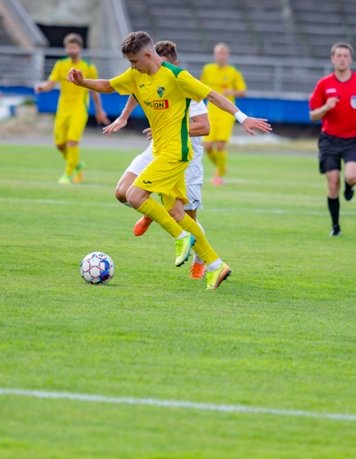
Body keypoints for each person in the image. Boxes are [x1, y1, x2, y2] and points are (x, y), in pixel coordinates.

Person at [67, 31, 272, 290]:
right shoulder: (136, 75)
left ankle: (180, 237)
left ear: (148, 55)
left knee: (135, 195)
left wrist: (243, 118)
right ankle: (215, 265)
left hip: (175, 152)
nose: (132, 66)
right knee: (176, 213)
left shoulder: (177, 77)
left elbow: (212, 95)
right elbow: (108, 85)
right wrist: (83, 82)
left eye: (134, 61)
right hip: (159, 150)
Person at [104, 40, 211, 280]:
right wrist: (123, 117)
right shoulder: (147, 76)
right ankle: (150, 211)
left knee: (186, 218)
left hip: (186, 158)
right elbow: (137, 90)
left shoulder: (184, 85)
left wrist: (172, 127)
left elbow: (205, 126)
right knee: (123, 192)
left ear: (175, 64)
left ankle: (201, 260)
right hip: (158, 149)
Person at [308, 42, 356, 237]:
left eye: (345, 56)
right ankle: (335, 227)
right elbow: (312, 115)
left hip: (353, 140)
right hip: (329, 140)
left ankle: (349, 186)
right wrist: (326, 107)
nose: (342, 59)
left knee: (351, 176)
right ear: (332, 59)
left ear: (351, 59)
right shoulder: (324, 84)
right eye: (338, 56)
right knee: (333, 184)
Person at [35, 33, 109, 184]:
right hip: (63, 109)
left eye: (74, 47)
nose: (71, 50)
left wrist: (99, 110)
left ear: (80, 48)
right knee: (59, 144)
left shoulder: (89, 67)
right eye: (69, 47)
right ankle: (76, 165)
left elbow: (95, 90)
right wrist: (42, 87)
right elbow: (51, 83)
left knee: (72, 142)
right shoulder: (60, 64)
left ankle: (68, 174)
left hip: (79, 109)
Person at [200, 43, 247, 186]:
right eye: (219, 53)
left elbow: (243, 91)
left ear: (227, 56)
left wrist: (231, 92)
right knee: (207, 146)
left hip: (226, 113)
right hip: (211, 111)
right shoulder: (208, 69)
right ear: (215, 55)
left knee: (220, 145)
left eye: (224, 53)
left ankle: (218, 175)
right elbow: (199, 87)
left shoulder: (233, 72)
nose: (221, 56)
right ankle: (222, 167)